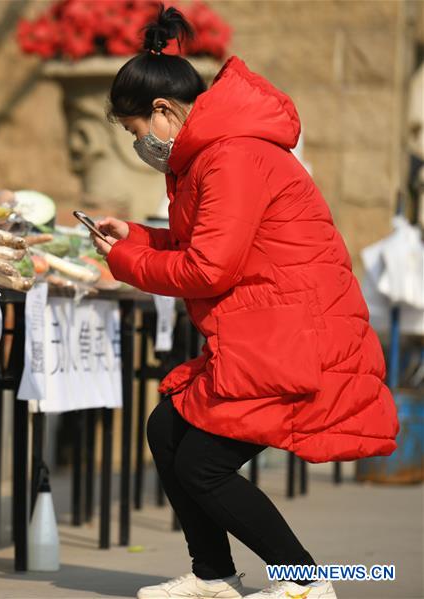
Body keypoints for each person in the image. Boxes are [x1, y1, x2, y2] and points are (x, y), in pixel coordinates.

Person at [90, 7, 399, 599]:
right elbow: (202, 245)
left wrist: (126, 263)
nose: (139, 145)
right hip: (266, 330)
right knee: (167, 429)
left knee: (202, 465)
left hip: (291, 337)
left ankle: (307, 584)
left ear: (162, 111)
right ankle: (214, 576)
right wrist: (135, 237)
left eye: (134, 132)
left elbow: (208, 267)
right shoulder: (212, 154)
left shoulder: (230, 156)